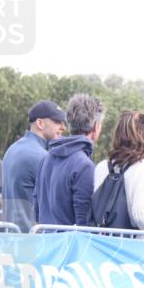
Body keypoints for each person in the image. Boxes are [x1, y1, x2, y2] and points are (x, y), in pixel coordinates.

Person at [33, 94, 104, 227]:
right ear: (95, 126)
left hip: (45, 243)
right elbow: (84, 224)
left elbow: (37, 212)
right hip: (69, 246)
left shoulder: (45, 159)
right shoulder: (84, 166)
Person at [2, 100, 66, 232]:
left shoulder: (11, 150)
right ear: (40, 123)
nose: (63, 127)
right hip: (32, 242)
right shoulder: (41, 156)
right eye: (57, 122)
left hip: (13, 238)